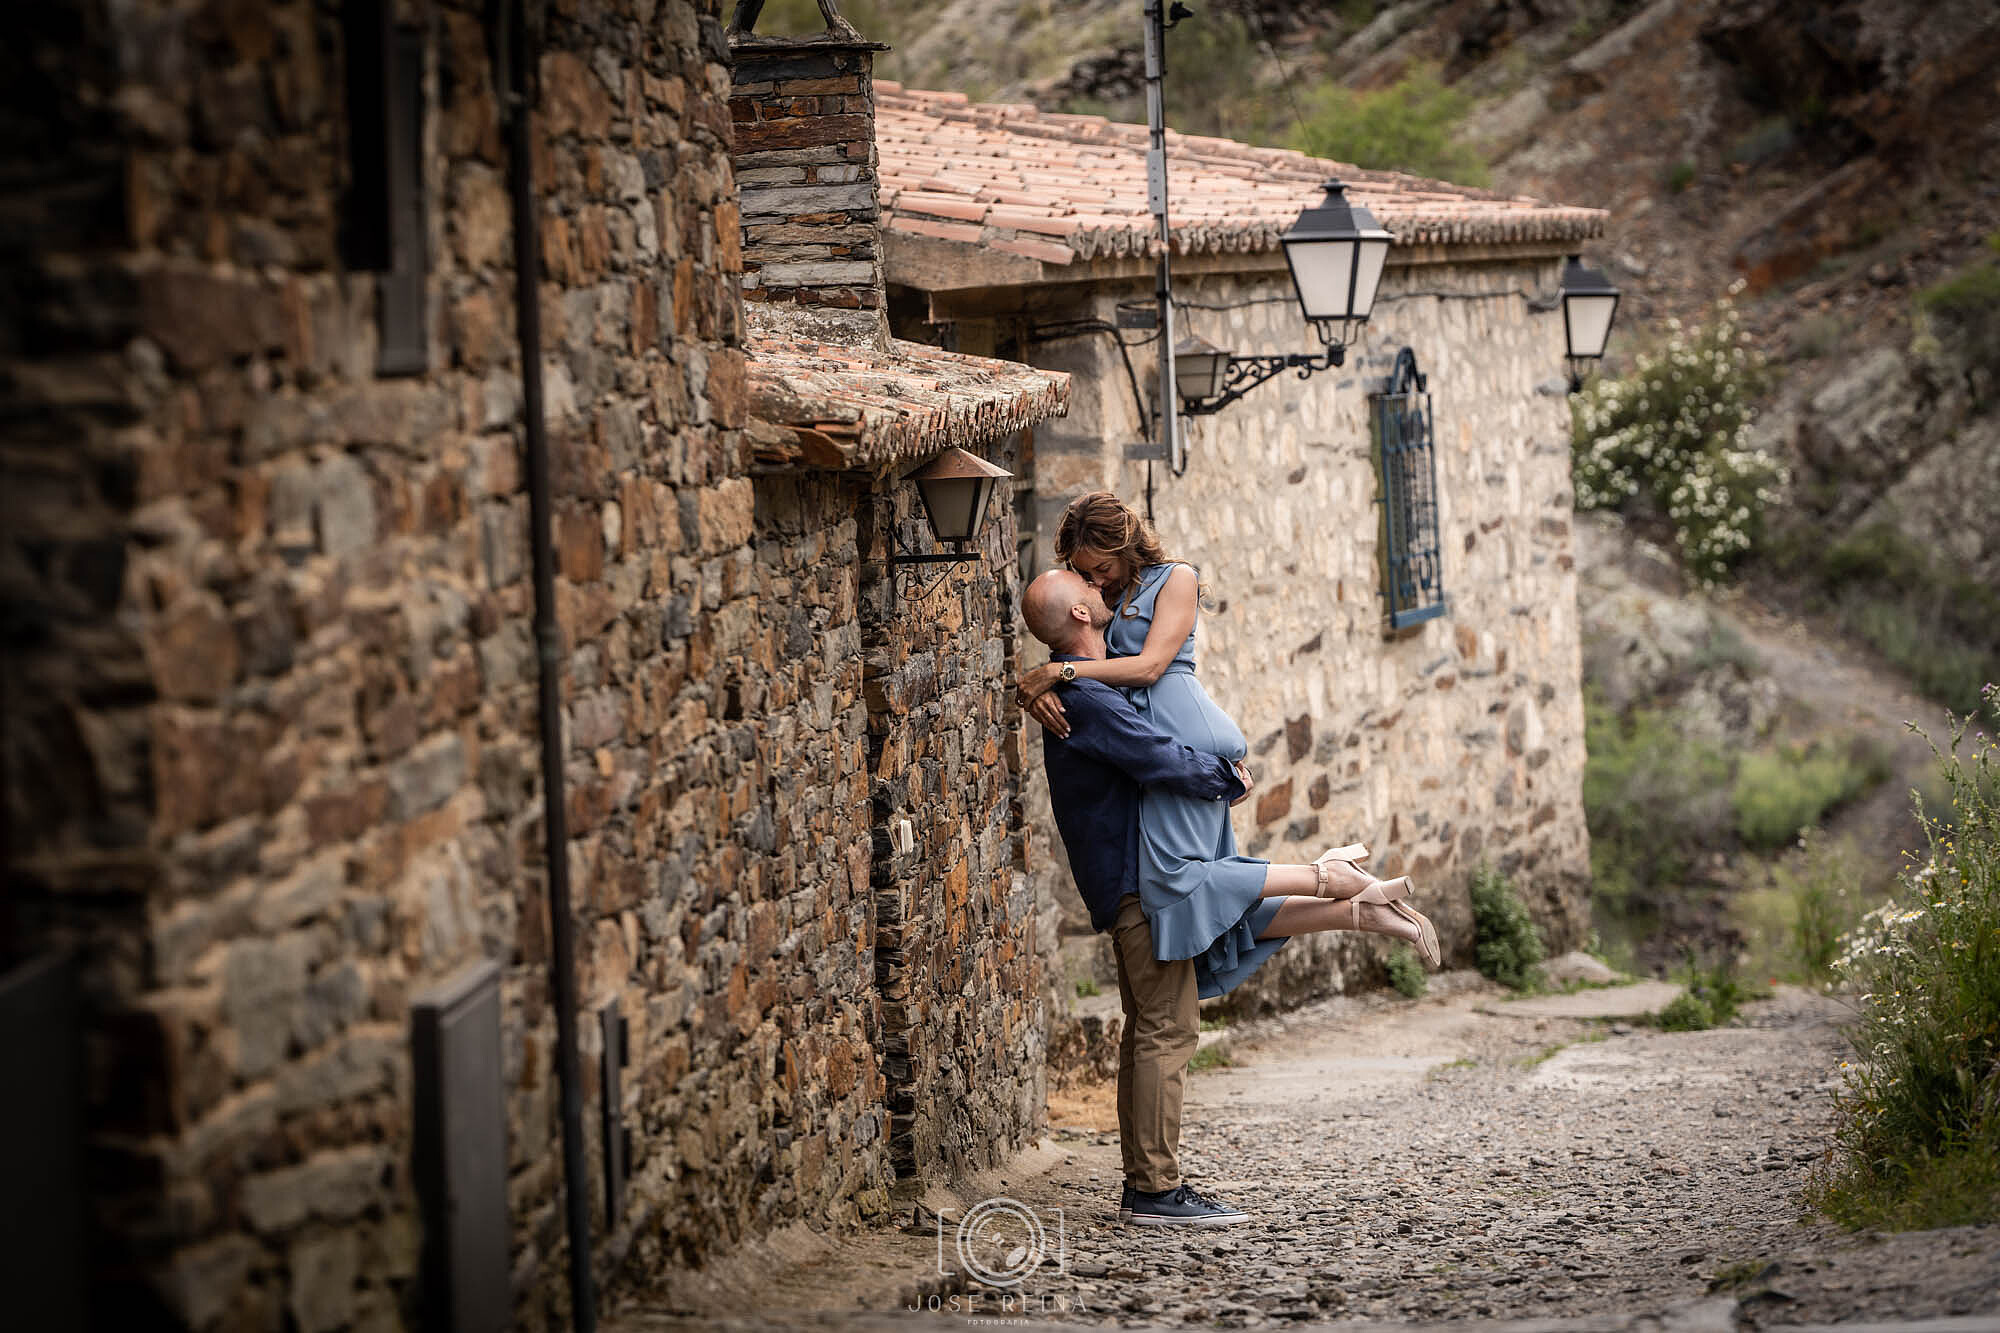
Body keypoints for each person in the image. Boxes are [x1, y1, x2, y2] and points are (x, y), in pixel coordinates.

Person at [1021, 568, 1434, 1228]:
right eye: (1090, 583)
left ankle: (1146, 1182)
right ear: (1079, 608)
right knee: (1167, 1027)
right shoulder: (1087, 698)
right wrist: (1227, 777)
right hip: (1138, 882)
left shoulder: (1082, 685)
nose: (1106, 587)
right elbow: (1155, 756)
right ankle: (1155, 1190)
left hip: (1132, 875)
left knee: (1151, 1027)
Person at [1020, 494, 1440, 996]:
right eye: (1086, 574)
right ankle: (1356, 909)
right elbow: (1071, 633)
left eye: (1102, 568)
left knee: (1187, 885)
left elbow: (1150, 667)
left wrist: (1057, 672)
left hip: (1181, 742)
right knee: (1212, 894)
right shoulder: (1105, 604)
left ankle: (1328, 876)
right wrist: (1042, 685)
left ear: (1126, 543)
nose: (1097, 582)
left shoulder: (1176, 577)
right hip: (1163, 754)